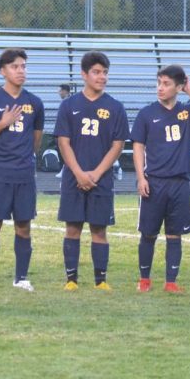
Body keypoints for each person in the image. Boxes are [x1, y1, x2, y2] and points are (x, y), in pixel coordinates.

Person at [132, 65, 190, 293]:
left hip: (179, 183)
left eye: (166, 84)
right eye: (159, 83)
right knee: (148, 233)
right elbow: (138, 147)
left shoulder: (186, 112)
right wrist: (141, 178)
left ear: (178, 87)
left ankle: (171, 281)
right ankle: (144, 279)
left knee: (174, 234)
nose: (161, 88)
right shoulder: (146, 113)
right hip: (154, 181)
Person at [54, 51, 129, 291]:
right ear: (84, 74)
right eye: (96, 72)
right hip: (73, 178)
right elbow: (63, 142)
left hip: (101, 179)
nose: (102, 77)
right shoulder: (69, 105)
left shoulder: (116, 107)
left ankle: (101, 281)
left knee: (99, 228)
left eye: (105, 72)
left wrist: (96, 174)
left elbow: (118, 145)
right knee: (73, 227)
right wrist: (77, 172)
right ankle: (71, 280)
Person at [0, 48, 45, 292]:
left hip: (24, 173)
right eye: (15, 66)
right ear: (3, 71)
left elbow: (36, 140)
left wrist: (24, 158)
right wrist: (2, 124)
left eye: (23, 66)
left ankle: (22, 277)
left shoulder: (34, 103)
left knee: (23, 227)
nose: (21, 71)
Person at [54, 83, 72, 178]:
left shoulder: (69, 102)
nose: (59, 93)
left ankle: (66, 169)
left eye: (60, 91)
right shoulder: (65, 102)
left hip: (67, 132)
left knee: (64, 149)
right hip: (63, 130)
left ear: (65, 91)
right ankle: (64, 168)